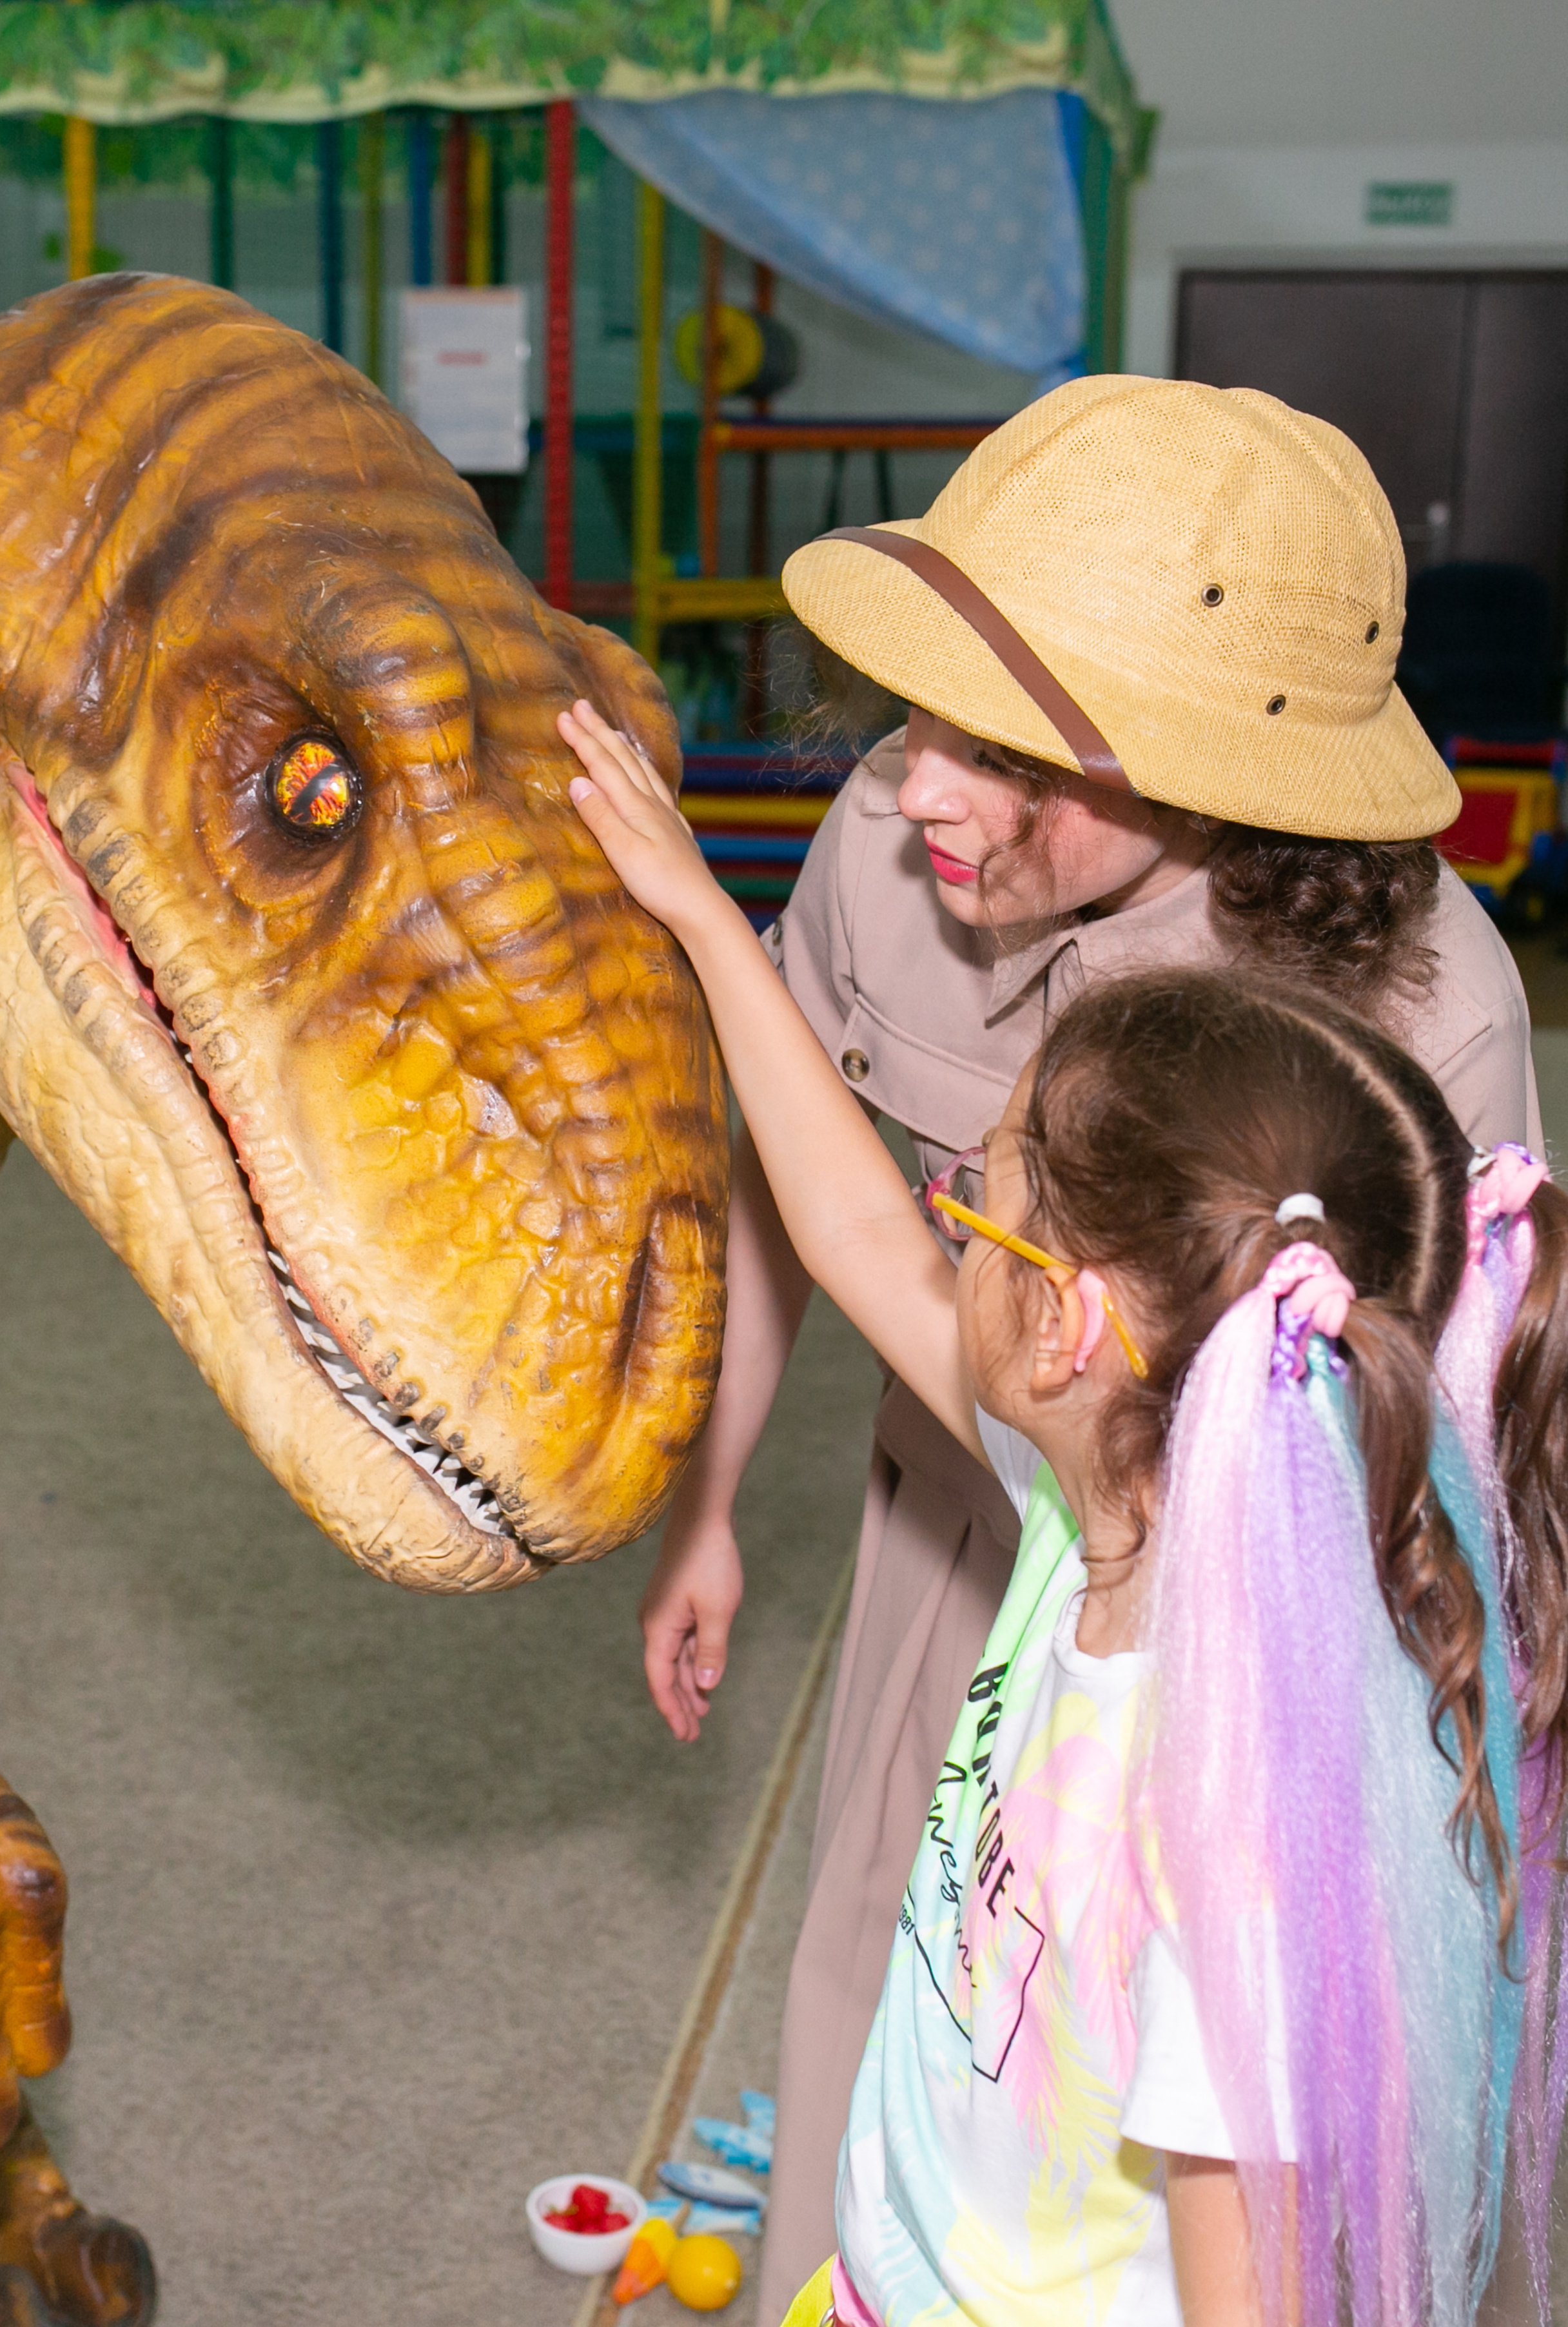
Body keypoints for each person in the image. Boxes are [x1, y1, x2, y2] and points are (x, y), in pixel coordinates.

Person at [627, 376, 1545, 2319]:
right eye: (921, 716)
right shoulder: (894, 837)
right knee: (907, 1952)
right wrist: (709, 1500)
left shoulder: (1431, 1006)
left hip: (1258, 1616)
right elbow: (822, 1199)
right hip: (987, 1497)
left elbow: (1439, 1468)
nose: (920, 793)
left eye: (1006, 750)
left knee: (1207, 2084)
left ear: (1218, 772)